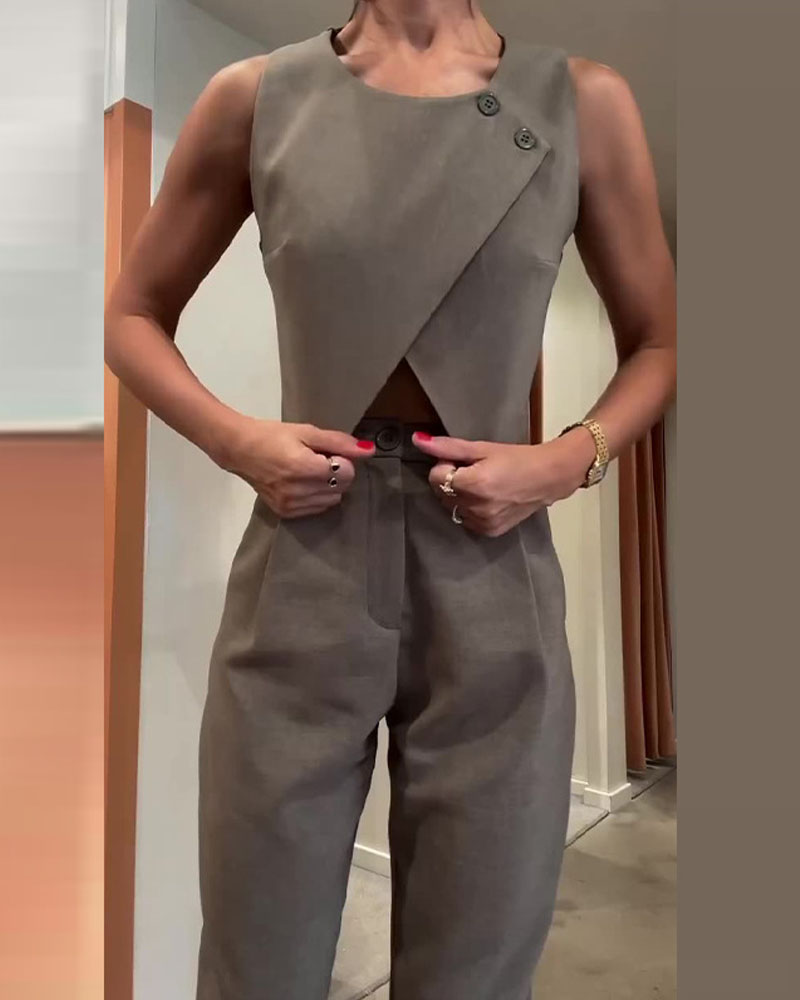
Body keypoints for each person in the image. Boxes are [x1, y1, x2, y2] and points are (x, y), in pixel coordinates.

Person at [104, 2, 676, 998]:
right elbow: (134, 314)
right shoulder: (257, 100)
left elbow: (658, 341)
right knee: (255, 953)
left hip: (492, 561)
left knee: (478, 957)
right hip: (304, 552)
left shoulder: (579, 101)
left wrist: (562, 461)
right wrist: (239, 442)